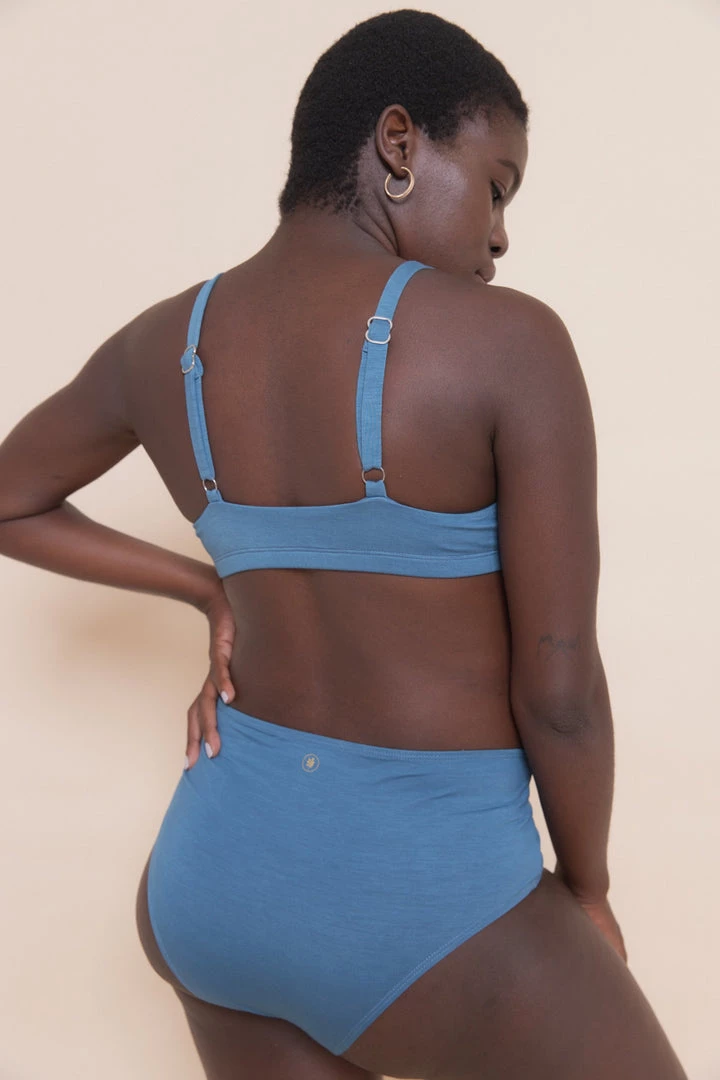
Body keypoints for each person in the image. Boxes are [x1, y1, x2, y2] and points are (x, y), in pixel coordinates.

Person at [0, 9, 689, 1080]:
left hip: (214, 891)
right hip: (439, 905)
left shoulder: (161, 344)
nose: (502, 235)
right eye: (497, 185)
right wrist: (588, 889)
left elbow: (11, 499)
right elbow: (559, 689)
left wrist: (207, 587)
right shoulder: (511, 345)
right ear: (399, 144)